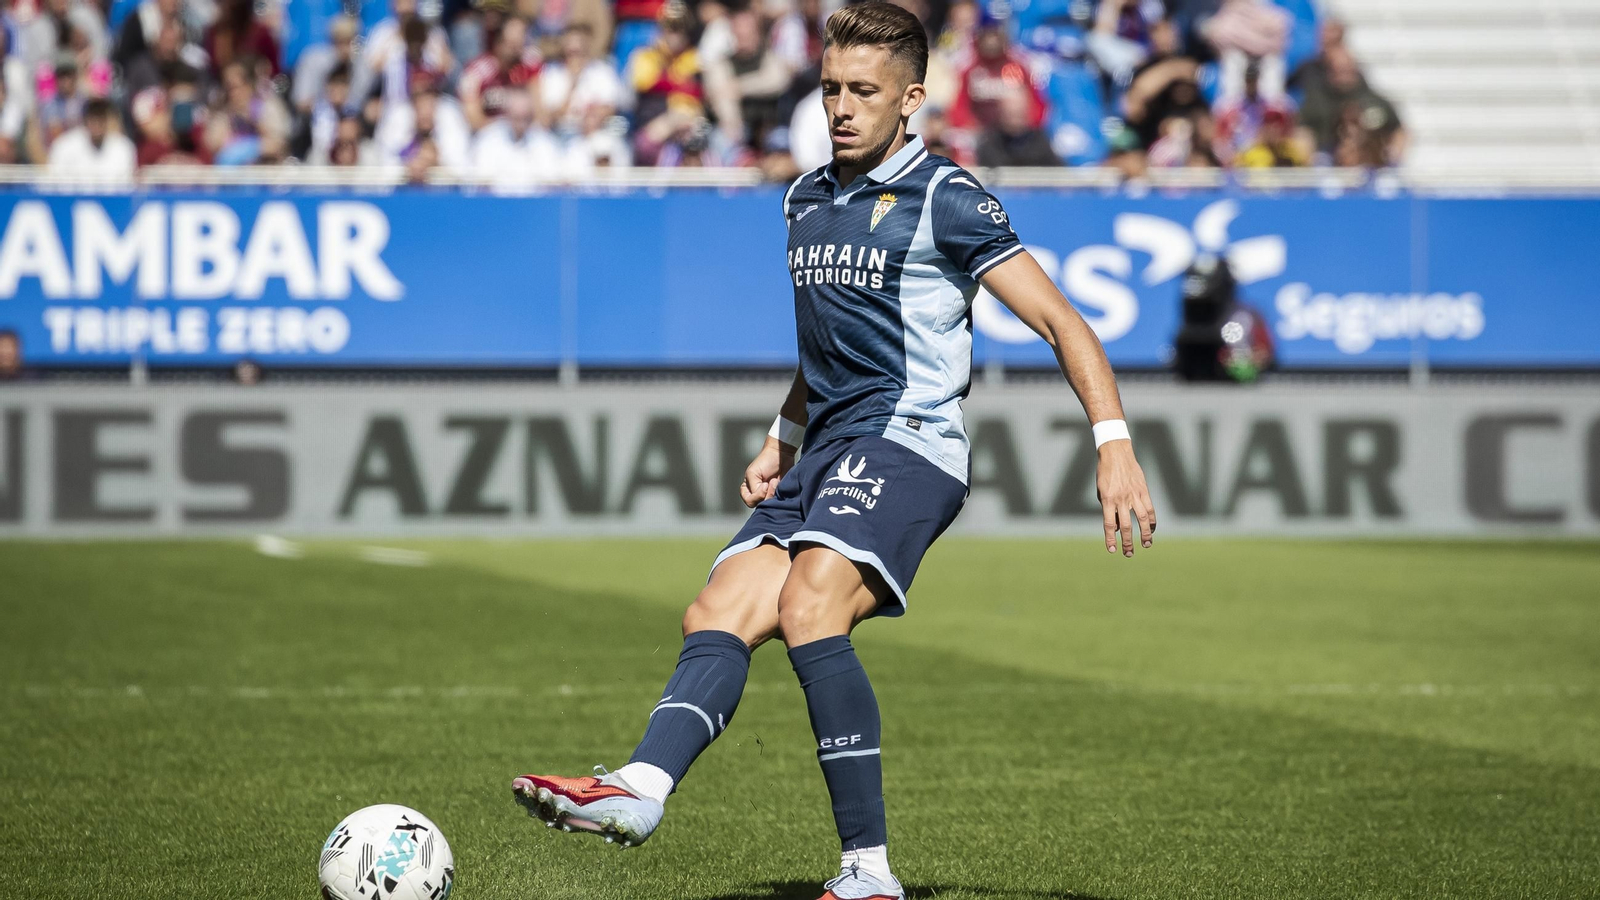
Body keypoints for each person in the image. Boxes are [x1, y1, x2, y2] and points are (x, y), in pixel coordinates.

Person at [510, 5, 1158, 900]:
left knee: (812, 603)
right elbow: (827, 348)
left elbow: (1061, 322)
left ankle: (868, 872)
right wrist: (783, 435)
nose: (842, 108)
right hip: (825, 447)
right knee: (719, 607)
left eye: (864, 91)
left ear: (911, 99)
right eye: (830, 90)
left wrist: (1113, 444)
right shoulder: (803, 197)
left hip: (911, 440)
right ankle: (642, 789)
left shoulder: (948, 199)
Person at [46, 96, 136, 179]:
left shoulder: (123, 148)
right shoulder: (64, 146)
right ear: (84, 120)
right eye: (92, 118)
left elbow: (126, 186)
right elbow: (55, 183)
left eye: (101, 118)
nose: (97, 123)